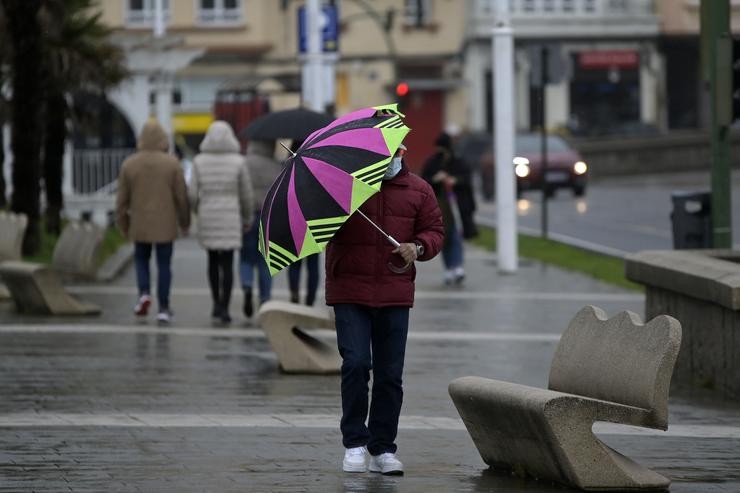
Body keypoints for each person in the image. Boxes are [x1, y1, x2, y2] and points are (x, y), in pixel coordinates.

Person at [325, 144, 444, 475]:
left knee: (390, 375)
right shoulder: (344, 187)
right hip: (350, 289)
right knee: (356, 364)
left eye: (396, 153)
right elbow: (323, 230)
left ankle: (382, 448)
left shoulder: (419, 190)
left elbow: (435, 232)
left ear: (404, 152)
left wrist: (417, 247)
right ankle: (354, 443)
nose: (390, 160)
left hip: (394, 291)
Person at [116, 119, 190, 324]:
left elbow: (121, 201)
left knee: (141, 260)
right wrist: (185, 222)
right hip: (165, 224)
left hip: (139, 223)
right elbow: (182, 197)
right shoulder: (172, 163)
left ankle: (144, 294)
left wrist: (123, 225)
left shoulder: (129, 164)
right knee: (164, 264)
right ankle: (164, 307)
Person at [188, 121, 254, 324]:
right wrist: (247, 217)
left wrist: (197, 209)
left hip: (208, 214)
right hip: (230, 216)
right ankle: (225, 308)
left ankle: (215, 303)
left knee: (212, 261)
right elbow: (246, 194)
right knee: (227, 263)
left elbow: (191, 194)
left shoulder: (198, 161)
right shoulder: (238, 161)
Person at [421, 129, 475, 285]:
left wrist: (454, 180)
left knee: (456, 236)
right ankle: (448, 268)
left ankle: (457, 266)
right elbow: (425, 181)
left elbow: (466, 179)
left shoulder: (458, 162)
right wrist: (435, 178)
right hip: (439, 207)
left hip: (456, 206)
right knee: (443, 238)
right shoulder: (432, 163)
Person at [240, 139, 282, 317]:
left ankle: (247, 285)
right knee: (265, 260)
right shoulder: (276, 165)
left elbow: (241, 191)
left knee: (246, 257)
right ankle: (265, 298)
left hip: (249, 215)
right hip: (269, 216)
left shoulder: (244, 163)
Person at [285, 139, 320, 307]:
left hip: (294, 219)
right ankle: (310, 300)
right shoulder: (318, 166)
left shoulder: (288, 167)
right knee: (313, 264)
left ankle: (294, 294)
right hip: (314, 219)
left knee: (295, 262)